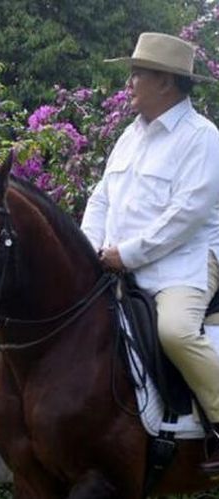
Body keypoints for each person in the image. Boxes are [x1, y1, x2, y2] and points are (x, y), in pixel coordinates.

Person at [81, 32, 219, 472]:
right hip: (119, 264)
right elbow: (101, 197)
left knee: (176, 332)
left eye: (137, 74)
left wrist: (128, 254)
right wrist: (89, 250)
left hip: (184, 266)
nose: (129, 83)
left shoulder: (203, 138)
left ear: (166, 82)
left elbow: (185, 217)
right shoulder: (129, 137)